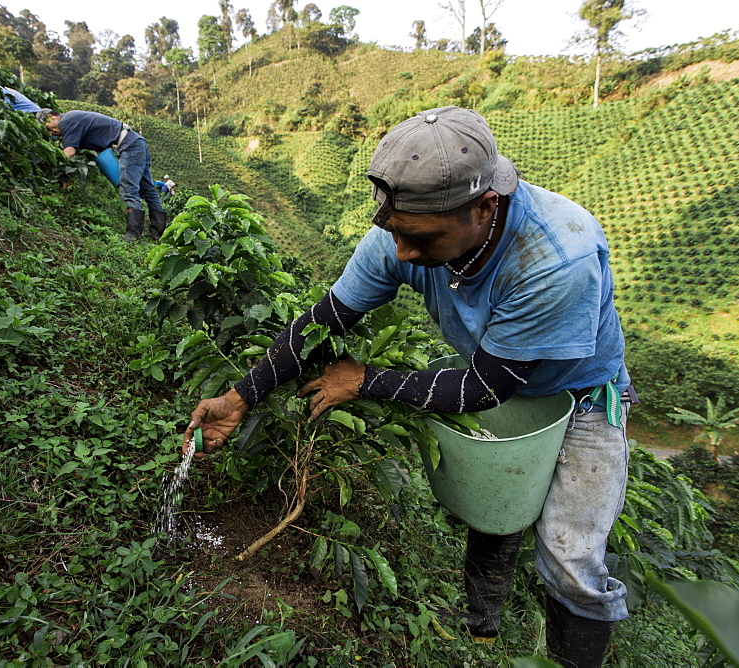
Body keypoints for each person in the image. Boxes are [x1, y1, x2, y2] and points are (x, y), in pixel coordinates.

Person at [184, 106, 634, 668]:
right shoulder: (404, 231)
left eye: (419, 239)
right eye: (393, 232)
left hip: (583, 392)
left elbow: (482, 389)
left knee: (572, 555)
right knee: (501, 504)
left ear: (484, 207)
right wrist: (239, 396)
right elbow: (327, 319)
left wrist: (366, 380)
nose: (401, 253)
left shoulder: (554, 261)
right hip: (499, 375)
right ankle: (481, 630)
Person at [36, 108, 167, 241]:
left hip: (129, 145)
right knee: (149, 190)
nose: (50, 132)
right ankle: (157, 233)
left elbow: (69, 152)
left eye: (48, 128)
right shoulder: (72, 119)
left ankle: (133, 234)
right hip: (135, 141)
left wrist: (49, 165)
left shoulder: (66, 121)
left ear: (50, 117)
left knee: (129, 190)